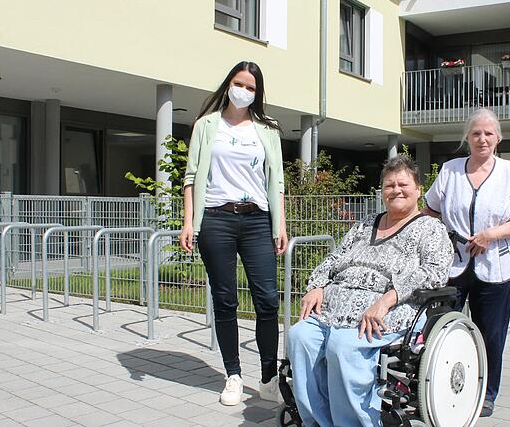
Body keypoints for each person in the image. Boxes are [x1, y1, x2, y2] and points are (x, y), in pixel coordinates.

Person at [287, 155, 453, 427]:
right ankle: (316, 421)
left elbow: (434, 273)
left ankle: (352, 423)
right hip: (332, 309)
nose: (396, 190)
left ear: (418, 190)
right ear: (382, 191)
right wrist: (316, 285)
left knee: (343, 346)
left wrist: (388, 298)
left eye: (403, 184)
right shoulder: (364, 225)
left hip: (387, 310)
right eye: (389, 185)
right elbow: (334, 259)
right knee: (299, 337)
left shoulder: (431, 229)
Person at [178, 61, 288, 406]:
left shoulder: (267, 129)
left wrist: (280, 224)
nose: (244, 91)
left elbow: (277, 181)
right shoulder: (207, 125)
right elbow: (191, 177)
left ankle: (269, 379)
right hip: (216, 220)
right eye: (239, 84)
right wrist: (188, 222)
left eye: (251, 87)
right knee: (225, 300)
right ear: (228, 85)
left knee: (268, 300)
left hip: (257, 221)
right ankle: (233, 376)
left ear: (258, 93)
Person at [423, 108, 510, 417]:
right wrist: (444, 234)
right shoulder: (450, 170)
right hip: (453, 266)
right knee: (441, 329)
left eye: (488, 133)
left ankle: (486, 392)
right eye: (476, 133)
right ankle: (439, 386)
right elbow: (430, 209)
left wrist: (490, 235)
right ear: (467, 138)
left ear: (498, 138)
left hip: (495, 267)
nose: (482, 138)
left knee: (491, 334)